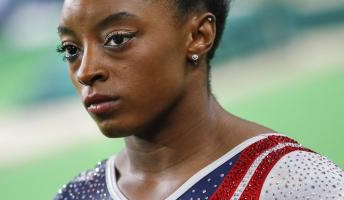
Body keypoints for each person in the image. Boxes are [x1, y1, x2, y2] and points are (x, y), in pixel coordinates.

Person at [54, 0, 344, 199]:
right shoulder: (79, 194)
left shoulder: (294, 183)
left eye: (117, 39)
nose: (86, 71)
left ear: (198, 35)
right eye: (70, 50)